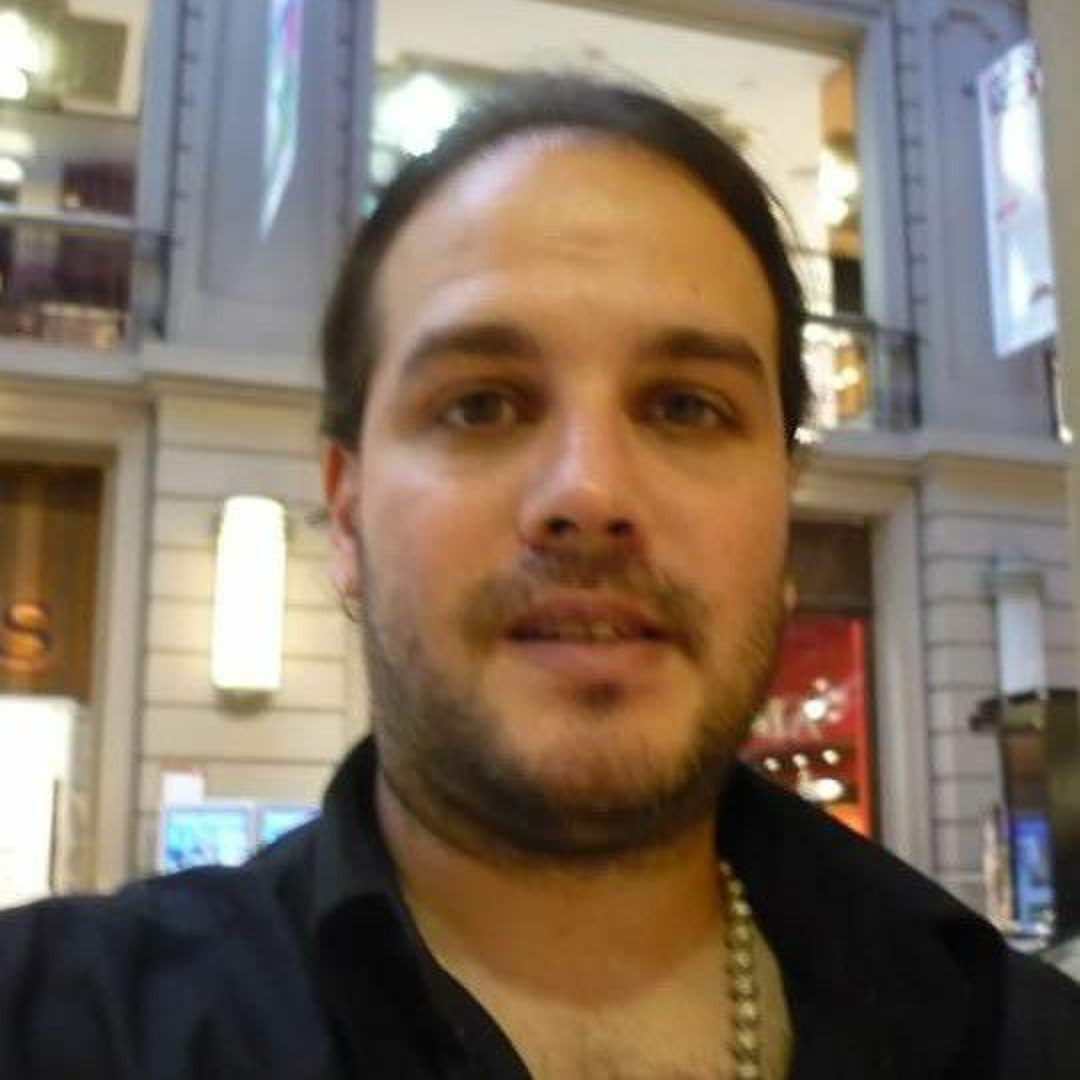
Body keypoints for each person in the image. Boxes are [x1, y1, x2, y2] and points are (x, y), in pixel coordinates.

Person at [1, 73, 1078, 1080]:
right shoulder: (58, 1024)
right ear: (347, 513)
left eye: (687, 407)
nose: (589, 493)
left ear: (783, 518)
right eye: (481, 405)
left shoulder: (1017, 1039)